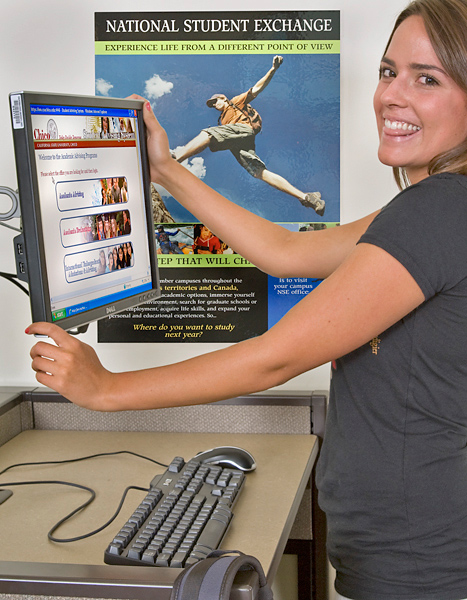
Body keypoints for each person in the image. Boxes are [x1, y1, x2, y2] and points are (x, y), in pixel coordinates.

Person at [25, 1, 467, 597]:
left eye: (429, 79)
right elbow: (287, 252)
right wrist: (166, 171)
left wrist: (105, 391)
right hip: (416, 551)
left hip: (424, 566)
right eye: (390, 71)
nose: (393, 95)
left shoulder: (441, 209)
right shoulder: (433, 208)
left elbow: (276, 357)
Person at [172, 55, 325, 216]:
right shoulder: (222, 119)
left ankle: (176, 158)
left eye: (215, 101)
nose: (214, 105)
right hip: (239, 141)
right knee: (259, 173)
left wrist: (273, 69)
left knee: (208, 133)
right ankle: (307, 197)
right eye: (212, 104)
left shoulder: (235, 102)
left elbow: (257, 88)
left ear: (223, 98)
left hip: (243, 130)